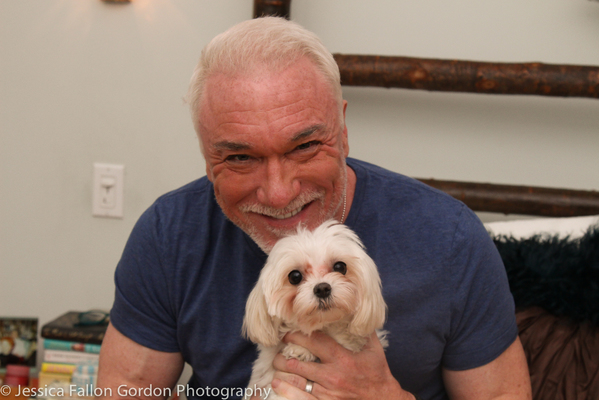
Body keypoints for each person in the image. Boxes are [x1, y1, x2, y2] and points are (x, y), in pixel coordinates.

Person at [97, 17, 531, 400]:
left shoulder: (451, 240)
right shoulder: (167, 236)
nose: (280, 193)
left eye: (304, 147)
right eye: (241, 158)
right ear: (206, 157)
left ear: (342, 132)